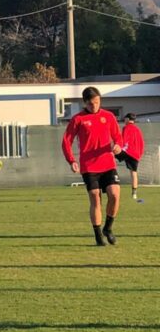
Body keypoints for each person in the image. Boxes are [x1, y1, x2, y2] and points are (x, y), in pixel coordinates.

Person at [62, 86, 123, 246]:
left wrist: (118, 145)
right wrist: (71, 160)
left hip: (108, 163)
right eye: (91, 103)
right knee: (95, 197)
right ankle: (97, 235)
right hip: (89, 166)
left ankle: (108, 228)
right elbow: (66, 141)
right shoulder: (78, 119)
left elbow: (118, 137)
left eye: (97, 102)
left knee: (115, 194)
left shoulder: (108, 116)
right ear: (85, 103)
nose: (94, 106)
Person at [117, 113, 144, 200]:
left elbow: (123, 140)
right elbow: (141, 143)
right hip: (136, 154)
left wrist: (118, 148)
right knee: (134, 173)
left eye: (125, 119)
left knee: (108, 156)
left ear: (128, 119)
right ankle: (134, 193)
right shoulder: (138, 129)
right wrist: (139, 154)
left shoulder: (126, 128)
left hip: (127, 151)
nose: (124, 120)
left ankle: (105, 181)